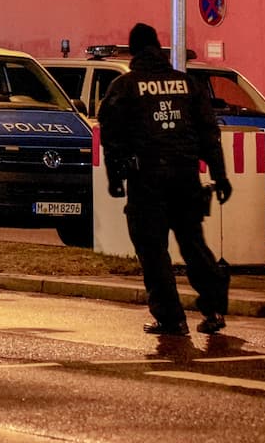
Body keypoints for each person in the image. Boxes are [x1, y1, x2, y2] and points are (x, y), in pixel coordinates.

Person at [98, 21, 231, 336]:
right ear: (158, 48)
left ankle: (171, 318)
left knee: (153, 249)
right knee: (194, 244)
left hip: (147, 180)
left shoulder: (126, 87)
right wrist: (220, 175)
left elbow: (112, 137)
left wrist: (115, 178)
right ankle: (213, 309)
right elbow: (208, 133)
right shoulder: (187, 85)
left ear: (132, 51)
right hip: (186, 176)